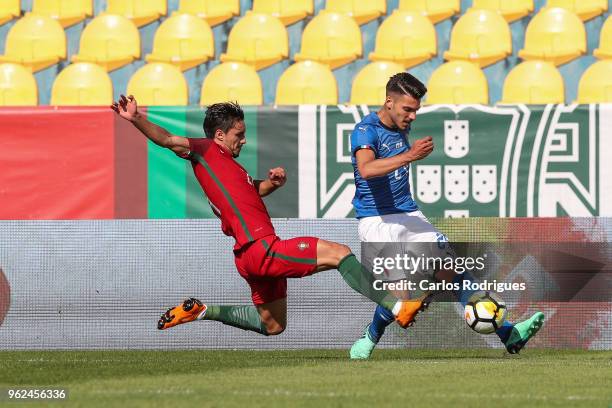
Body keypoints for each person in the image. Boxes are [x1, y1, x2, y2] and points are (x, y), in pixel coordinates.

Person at [111, 95, 430, 337]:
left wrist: (272, 184)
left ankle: (201, 311)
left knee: (273, 326)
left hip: (247, 257)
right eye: (239, 133)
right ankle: (398, 307)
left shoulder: (230, 169)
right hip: (262, 247)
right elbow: (167, 140)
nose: (244, 139)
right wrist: (136, 117)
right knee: (339, 253)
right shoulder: (206, 150)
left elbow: (252, 191)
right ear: (219, 135)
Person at [348, 72, 545, 359]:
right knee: (404, 300)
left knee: (452, 269)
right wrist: (410, 156)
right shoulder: (365, 130)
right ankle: (369, 337)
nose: (413, 116)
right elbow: (366, 169)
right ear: (389, 102)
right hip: (377, 221)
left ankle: (509, 333)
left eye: (416, 110)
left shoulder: (400, 127)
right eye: (407, 109)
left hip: (409, 214)